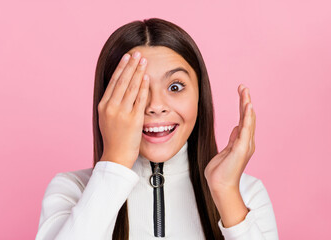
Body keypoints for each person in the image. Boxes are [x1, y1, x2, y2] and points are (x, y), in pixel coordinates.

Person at [35, 18, 279, 240]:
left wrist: (226, 192)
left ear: (199, 97)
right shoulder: (72, 190)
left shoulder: (247, 194)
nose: (155, 106)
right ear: (107, 103)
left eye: (175, 87)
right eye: (135, 89)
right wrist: (116, 163)